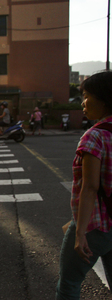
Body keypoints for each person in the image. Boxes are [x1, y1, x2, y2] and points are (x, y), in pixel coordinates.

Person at [56, 71, 112, 299]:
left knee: (69, 282)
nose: (83, 102)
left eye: (87, 95)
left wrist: (79, 232)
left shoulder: (95, 136)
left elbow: (90, 187)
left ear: (103, 98)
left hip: (95, 226)